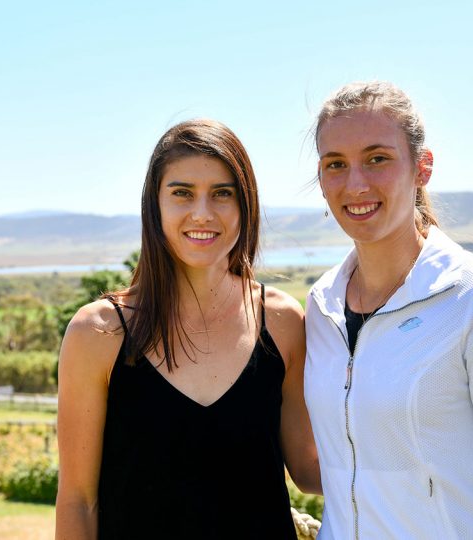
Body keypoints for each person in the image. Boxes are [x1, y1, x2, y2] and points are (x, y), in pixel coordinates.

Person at [303, 81, 473, 539]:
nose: (355, 183)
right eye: (335, 164)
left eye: (377, 158)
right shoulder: (321, 307)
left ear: (422, 169)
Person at [56, 119, 321, 539]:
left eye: (222, 194)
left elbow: (311, 470)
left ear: (245, 205)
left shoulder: (284, 323)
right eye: (182, 193)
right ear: (154, 205)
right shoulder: (99, 333)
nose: (203, 213)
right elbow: (77, 501)